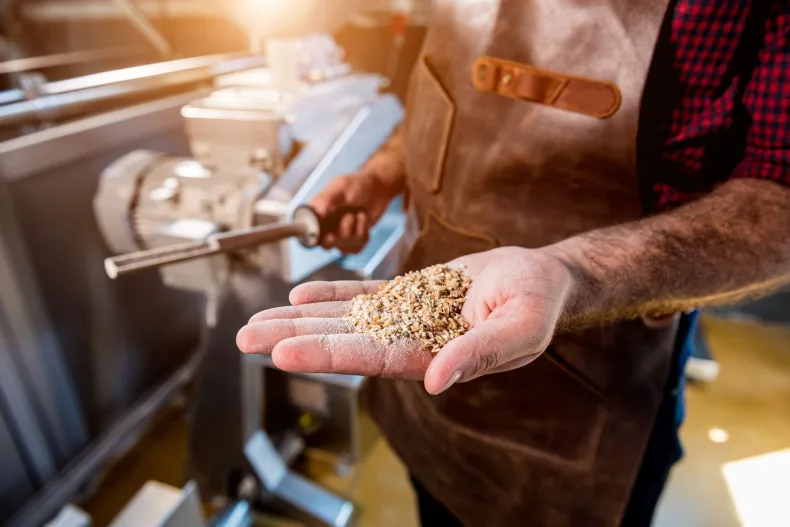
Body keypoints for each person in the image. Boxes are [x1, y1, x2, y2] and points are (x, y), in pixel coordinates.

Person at [236, 1, 790, 525]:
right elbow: (447, 83)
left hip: (591, 387)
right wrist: (381, 174)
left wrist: (575, 273)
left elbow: (779, 199)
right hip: (425, 344)